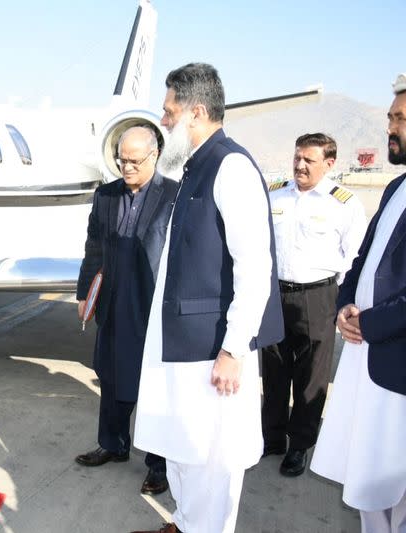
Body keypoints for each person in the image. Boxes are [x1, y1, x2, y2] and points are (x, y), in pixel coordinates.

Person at [130, 63, 283, 533]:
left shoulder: (230, 166)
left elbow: (255, 267)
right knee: (183, 450)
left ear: (196, 112)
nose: (164, 120)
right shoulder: (195, 167)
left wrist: (233, 349)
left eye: (169, 111)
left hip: (211, 351)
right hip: (180, 345)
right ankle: (184, 522)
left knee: (212, 463)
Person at [310, 74, 406, 533]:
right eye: (390, 117)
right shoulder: (394, 188)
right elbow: (364, 258)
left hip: (395, 361)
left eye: (400, 118)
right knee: (365, 475)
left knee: (396, 484)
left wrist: (372, 323)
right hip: (367, 351)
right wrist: (348, 303)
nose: (390, 126)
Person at [75, 125, 178, 495]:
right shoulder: (105, 195)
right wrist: (85, 293)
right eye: (121, 159)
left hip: (151, 304)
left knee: (153, 385)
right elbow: (93, 247)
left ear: (154, 156)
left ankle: (158, 464)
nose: (127, 167)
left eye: (134, 160)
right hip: (113, 299)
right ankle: (112, 443)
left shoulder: (173, 195)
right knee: (112, 375)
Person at [261, 133, 366, 477]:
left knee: (311, 376)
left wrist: (339, 301)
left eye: (309, 160)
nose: (300, 165)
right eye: (297, 158)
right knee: (275, 369)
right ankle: (272, 437)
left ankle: (300, 444)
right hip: (275, 293)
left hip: (318, 295)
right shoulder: (276, 191)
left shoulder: (344, 203)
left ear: (329, 163)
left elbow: (354, 258)